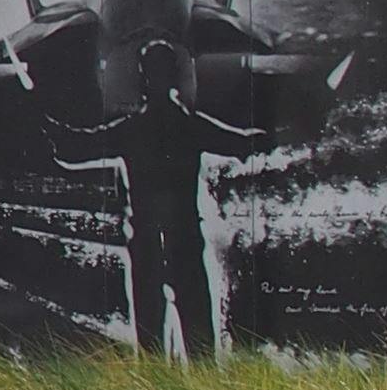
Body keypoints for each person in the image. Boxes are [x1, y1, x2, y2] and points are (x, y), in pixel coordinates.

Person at [46, 37, 269, 356]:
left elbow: (73, 152)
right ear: (175, 76)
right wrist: (281, 129)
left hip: (147, 246)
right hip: (186, 243)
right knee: (201, 344)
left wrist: (54, 132)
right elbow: (244, 143)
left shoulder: (131, 130)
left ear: (142, 78)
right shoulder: (190, 127)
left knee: (150, 344)